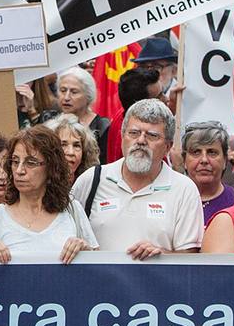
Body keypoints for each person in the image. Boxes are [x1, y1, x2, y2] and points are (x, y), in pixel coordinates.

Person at [70, 99, 202, 260]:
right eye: (134, 133)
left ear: (168, 146)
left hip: (155, 284)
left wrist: (161, 255)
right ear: (122, 136)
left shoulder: (184, 189)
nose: (141, 141)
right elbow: (66, 236)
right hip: (98, 284)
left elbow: (190, 259)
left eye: (152, 135)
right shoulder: (91, 179)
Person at [0, 127, 99, 264]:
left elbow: (96, 267)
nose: (19, 170)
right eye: (15, 161)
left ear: (51, 167)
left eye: (30, 162)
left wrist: (84, 250)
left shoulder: (72, 210)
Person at [180, 121, 234, 224]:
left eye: (212, 152)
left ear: (225, 161)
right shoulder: (171, 200)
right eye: (196, 152)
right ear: (184, 161)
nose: (204, 160)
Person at [52, 67, 110, 154]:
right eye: (63, 90)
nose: (66, 97)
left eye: (74, 92)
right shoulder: (50, 119)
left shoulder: (102, 127)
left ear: (88, 95)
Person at [46, 113, 100, 180]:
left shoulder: (90, 185)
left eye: (76, 146)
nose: (71, 152)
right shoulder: (39, 186)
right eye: (63, 145)